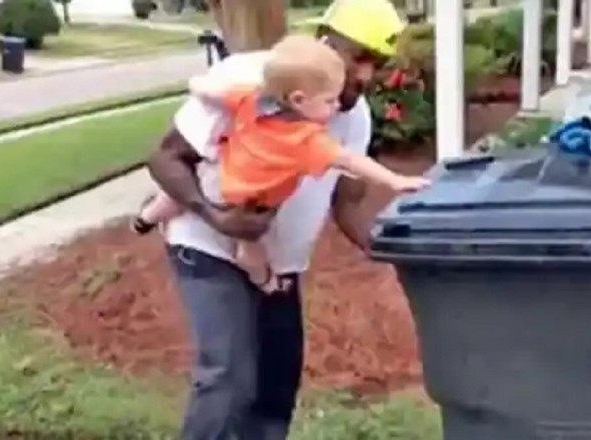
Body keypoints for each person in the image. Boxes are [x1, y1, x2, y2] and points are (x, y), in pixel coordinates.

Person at [146, 0, 407, 438]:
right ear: (326, 43)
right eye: (359, 57)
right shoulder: (250, 77)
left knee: (275, 389)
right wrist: (217, 217)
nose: (366, 76)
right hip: (208, 245)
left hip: (280, 268)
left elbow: (346, 202)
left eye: (378, 64)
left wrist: (395, 251)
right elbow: (165, 157)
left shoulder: (353, 115)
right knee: (228, 378)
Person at [134, 35, 429, 292]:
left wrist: (196, 83)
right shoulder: (307, 138)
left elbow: (213, 93)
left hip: (220, 183)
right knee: (251, 253)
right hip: (246, 207)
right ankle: (267, 282)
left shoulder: (252, 99)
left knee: (171, 199)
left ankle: (146, 217)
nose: (338, 105)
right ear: (299, 99)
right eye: (330, 101)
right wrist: (395, 180)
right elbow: (351, 161)